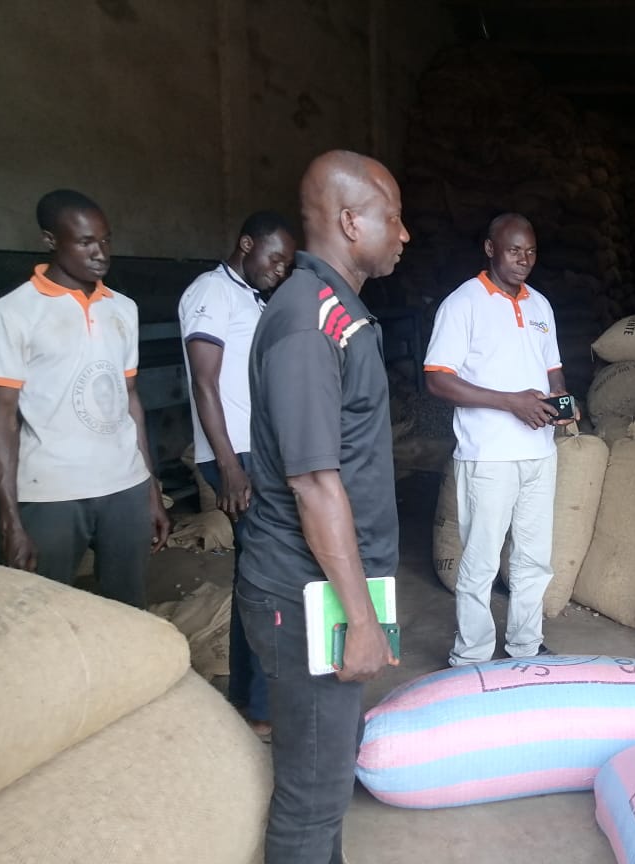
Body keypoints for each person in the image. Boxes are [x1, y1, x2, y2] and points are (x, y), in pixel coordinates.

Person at [236, 151, 404, 863]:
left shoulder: (338, 312)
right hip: (305, 596)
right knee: (312, 799)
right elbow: (313, 483)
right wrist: (359, 620)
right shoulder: (311, 323)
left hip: (328, 586)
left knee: (327, 784)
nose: (404, 234)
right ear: (349, 219)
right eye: (393, 217)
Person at [0, 190, 170, 606]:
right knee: (43, 612)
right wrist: (10, 520)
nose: (100, 252)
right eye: (85, 242)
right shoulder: (12, 313)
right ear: (50, 240)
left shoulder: (123, 308)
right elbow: (2, 419)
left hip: (124, 487)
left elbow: (131, 401)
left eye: (105, 240)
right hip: (50, 492)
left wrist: (150, 487)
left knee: (128, 610)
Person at [424, 213, 574, 667]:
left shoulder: (540, 306)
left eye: (530, 251)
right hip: (487, 456)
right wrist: (511, 402)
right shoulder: (463, 304)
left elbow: (551, 369)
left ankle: (525, 644)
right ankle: (471, 657)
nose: (524, 260)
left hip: (539, 452)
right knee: (481, 562)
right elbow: (437, 381)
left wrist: (563, 398)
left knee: (534, 559)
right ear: (490, 249)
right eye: (514, 250)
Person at [178, 210, 296, 740]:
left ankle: (252, 700)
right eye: (274, 259)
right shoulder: (210, 292)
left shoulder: (252, 296)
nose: (279, 270)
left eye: (286, 265)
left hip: (258, 453)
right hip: (237, 458)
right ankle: (261, 707)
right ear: (245, 244)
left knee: (259, 574)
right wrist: (226, 465)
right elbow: (205, 383)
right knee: (268, 575)